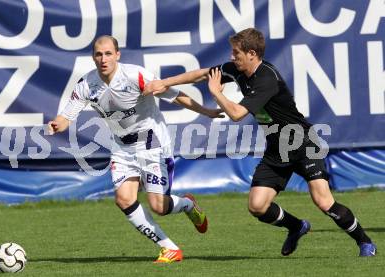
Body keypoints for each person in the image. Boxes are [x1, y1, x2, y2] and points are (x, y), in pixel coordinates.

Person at [144, 28, 376, 257]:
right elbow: (204, 73)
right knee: (257, 206)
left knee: (323, 201)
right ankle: (296, 227)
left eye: (236, 53)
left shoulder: (266, 79)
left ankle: (365, 243)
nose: (232, 58)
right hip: (277, 148)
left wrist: (217, 94)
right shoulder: (237, 69)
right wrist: (163, 83)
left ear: (252, 53)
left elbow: (236, 114)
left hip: (303, 143)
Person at [47, 35, 224, 263]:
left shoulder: (135, 75)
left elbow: (175, 95)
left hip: (153, 144)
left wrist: (206, 112)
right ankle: (169, 248)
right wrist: (57, 124)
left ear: (117, 55)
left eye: (108, 53)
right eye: (99, 54)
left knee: (159, 206)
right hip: (122, 148)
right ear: (93, 57)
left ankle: (188, 205)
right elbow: (67, 116)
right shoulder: (86, 84)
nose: (103, 59)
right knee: (123, 199)